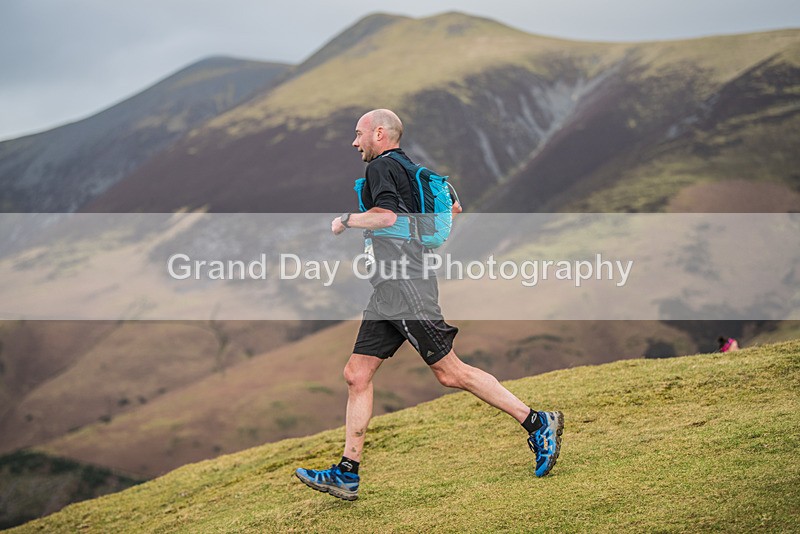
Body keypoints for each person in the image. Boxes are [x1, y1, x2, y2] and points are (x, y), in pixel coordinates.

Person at [295, 109, 563, 501]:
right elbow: (452, 209)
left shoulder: (381, 168)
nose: (355, 142)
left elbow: (385, 217)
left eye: (358, 134)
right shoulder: (411, 169)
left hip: (406, 287)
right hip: (389, 290)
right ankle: (347, 473)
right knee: (356, 374)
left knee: (450, 373)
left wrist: (346, 221)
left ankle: (538, 422)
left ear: (379, 133)